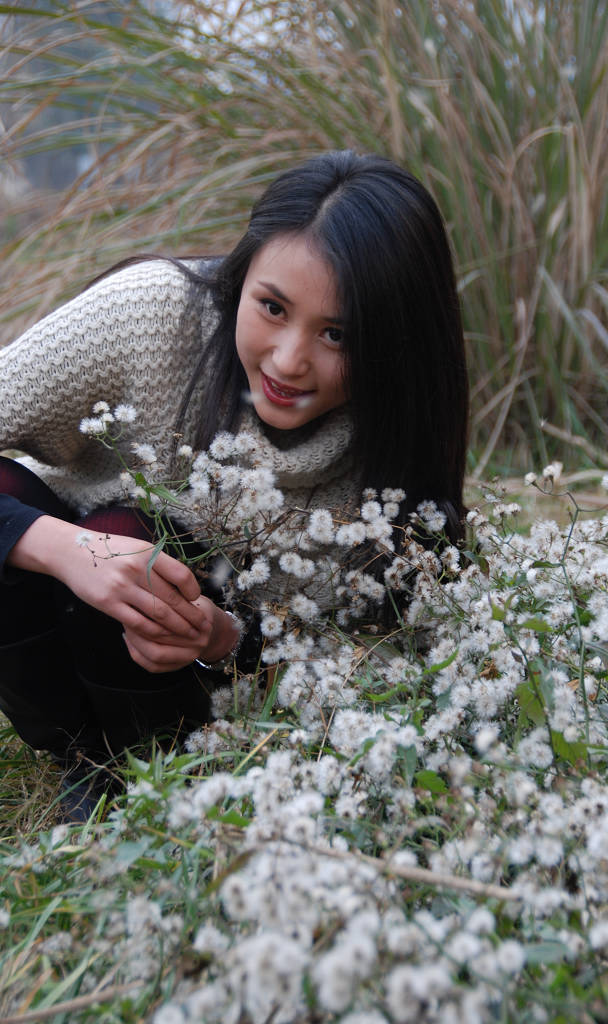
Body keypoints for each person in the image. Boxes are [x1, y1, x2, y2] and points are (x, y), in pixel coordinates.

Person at [0, 149, 469, 820]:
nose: (288, 360)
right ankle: (74, 754)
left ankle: (136, 770)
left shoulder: (394, 462)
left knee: (136, 541)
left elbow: (389, 662)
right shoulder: (154, 313)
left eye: (336, 333)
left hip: (199, 707)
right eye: (272, 307)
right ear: (241, 274)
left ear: (393, 342)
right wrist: (55, 547)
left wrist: (225, 640)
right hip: (52, 616)